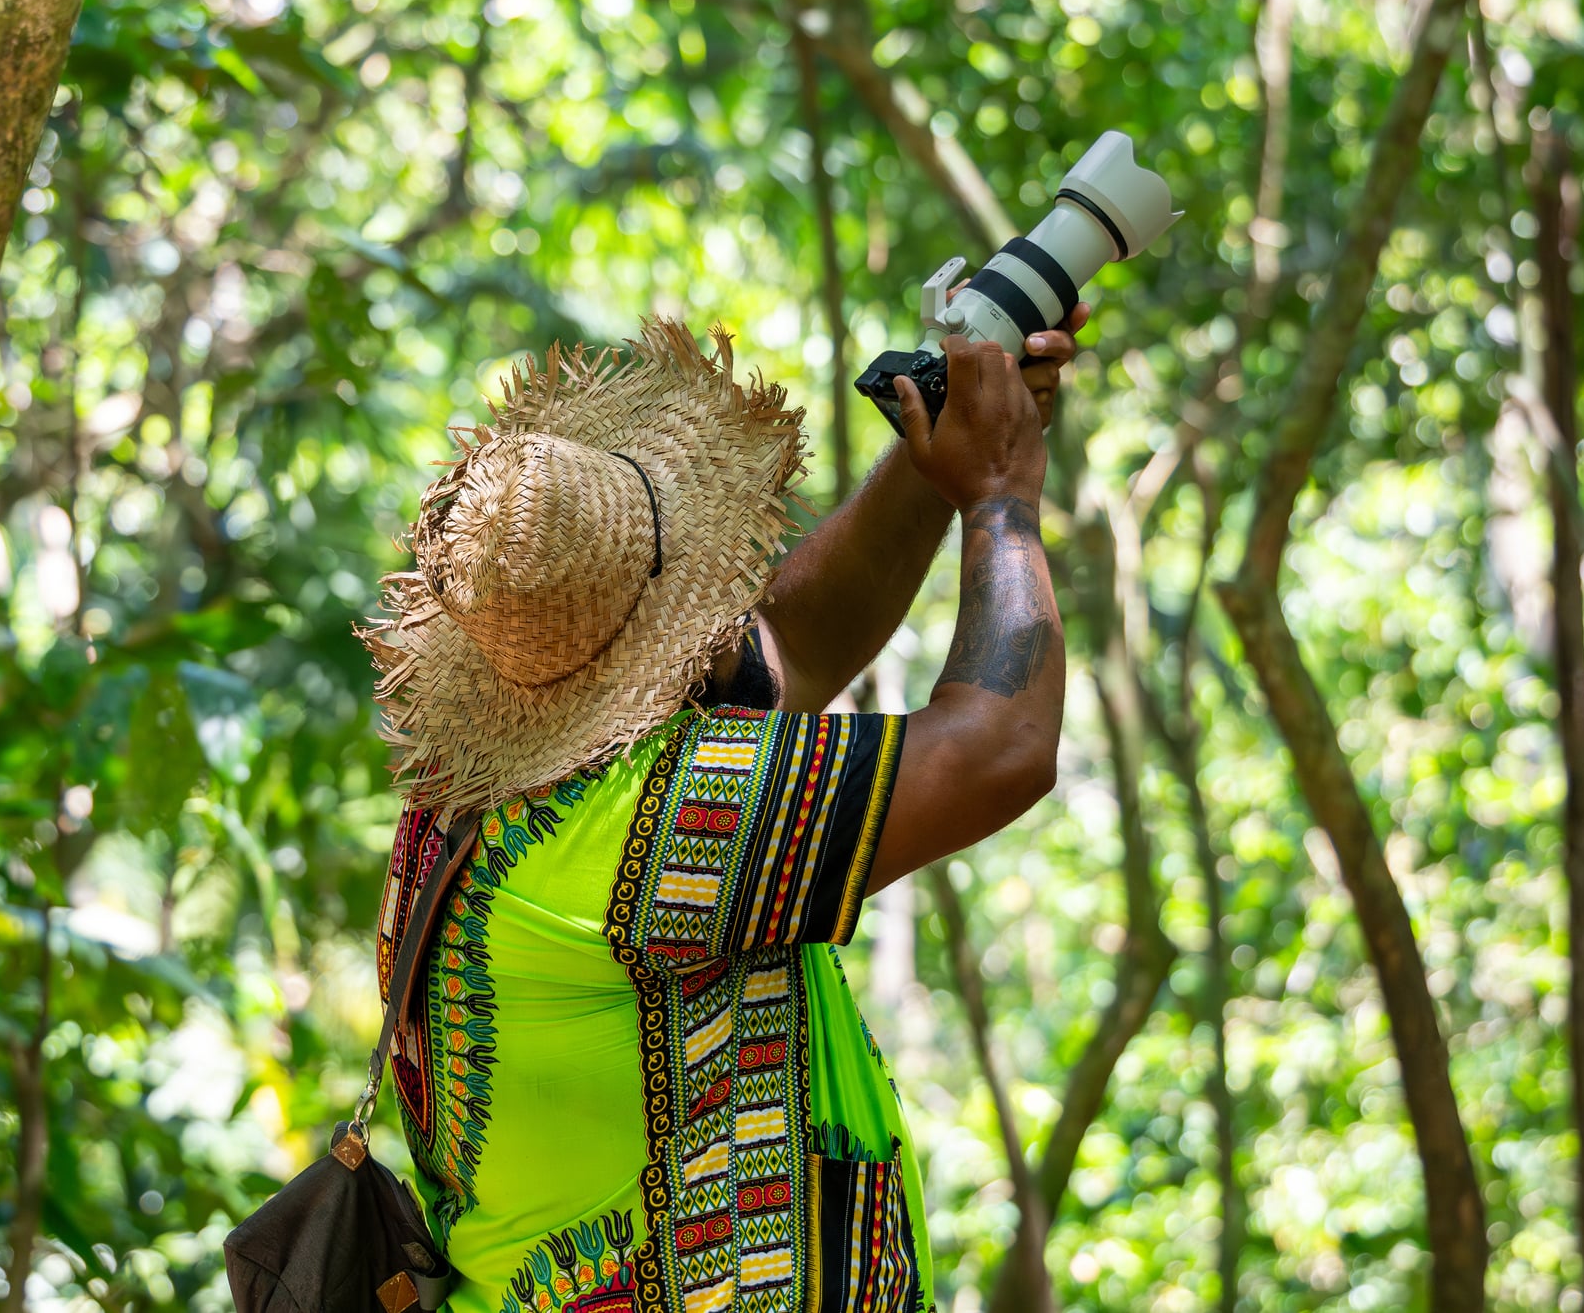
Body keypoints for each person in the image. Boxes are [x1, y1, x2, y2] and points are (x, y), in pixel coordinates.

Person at [361, 306, 1086, 1313]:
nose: (730, 599)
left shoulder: (482, 788)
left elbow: (793, 642)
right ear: (647, 659)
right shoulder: (643, 821)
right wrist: (1001, 498)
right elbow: (998, 751)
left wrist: (943, 455)